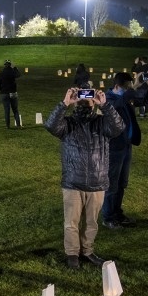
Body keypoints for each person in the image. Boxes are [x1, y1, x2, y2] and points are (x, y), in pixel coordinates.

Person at [45, 86, 125, 269]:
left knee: (91, 223)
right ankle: (72, 253)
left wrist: (105, 105)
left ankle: (87, 251)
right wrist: (65, 103)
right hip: (73, 182)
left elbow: (119, 127)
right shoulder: (67, 123)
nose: (84, 99)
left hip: (97, 183)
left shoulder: (102, 122)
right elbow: (50, 125)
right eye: (81, 96)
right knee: (71, 223)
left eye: (88, 96)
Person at [102, 73, 141, 229]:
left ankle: (117, 212)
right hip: (113, 147)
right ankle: (108, 216)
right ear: (117, 86)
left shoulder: (123, 97)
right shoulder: (108, 99)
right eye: (126, 87)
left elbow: (140, 100)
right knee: (112, 184)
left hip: (126, 145)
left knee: (121, 183)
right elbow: (116, 107)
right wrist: (132, 90)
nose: (128, 90)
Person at [0, 60, 22, 129]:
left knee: (6, 111)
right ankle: (18, 125)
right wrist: (15, 67)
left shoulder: (1, 73)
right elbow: (19, 75)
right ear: (10, 65)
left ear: (4, 65)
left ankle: (8, 126)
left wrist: (2, 90)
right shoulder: (12, 72)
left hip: (4, 93)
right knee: (15, 110)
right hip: (13, 93)